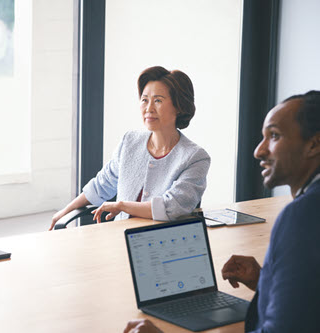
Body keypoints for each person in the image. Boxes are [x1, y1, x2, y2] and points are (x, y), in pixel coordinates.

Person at [124, 90, 320, 332]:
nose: (259, 150)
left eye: (274, 136)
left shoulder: (300, 217)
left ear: (314, 144)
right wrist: (267, 281)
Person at [49, 66, 210, 230]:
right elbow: (101, 186)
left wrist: (122, 206)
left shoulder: (195, 157)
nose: (149, 108)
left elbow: (172, 207)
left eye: (158, 100)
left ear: (179, 106)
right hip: (120, 238)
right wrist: (64, 212)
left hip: (162, 244)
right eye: (145, 100)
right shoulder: (130, 142)